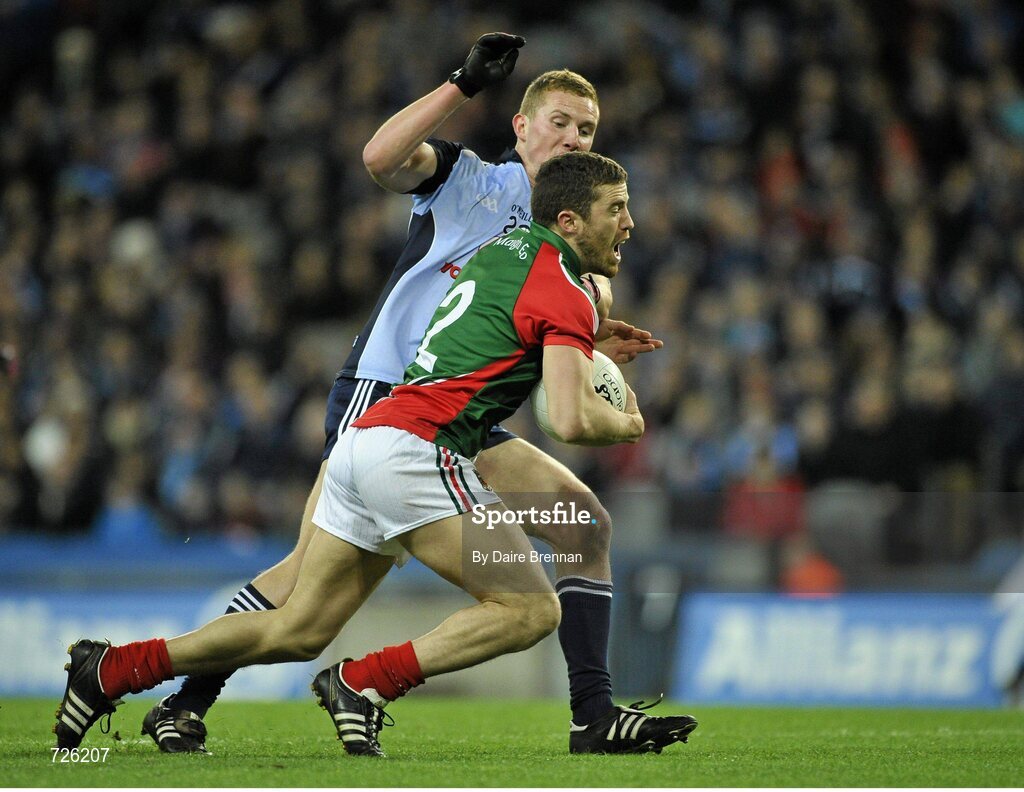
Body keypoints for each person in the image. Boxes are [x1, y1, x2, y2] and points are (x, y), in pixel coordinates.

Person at [140, 33, 688, 755]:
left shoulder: (580, 245)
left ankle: (593, 714)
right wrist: (461, 86)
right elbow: (379, 159)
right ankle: (185, 699)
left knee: (582, 525)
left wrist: (590, 342)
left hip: (465, 419)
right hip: (386, 398)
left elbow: (545, 342)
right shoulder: (475, 182)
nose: (572, 136)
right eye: (559, 120)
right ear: (521, 126)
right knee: (304, 590)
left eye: (586, 128)